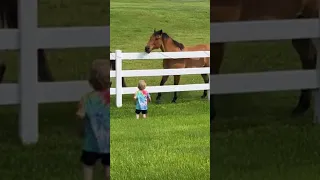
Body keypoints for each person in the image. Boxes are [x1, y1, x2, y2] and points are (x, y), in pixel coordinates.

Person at [76, 59, 110, 180]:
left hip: (91, 143)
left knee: (88, 166)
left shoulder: (86, 99)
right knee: (108, 168)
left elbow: (80, 115)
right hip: (108, 142)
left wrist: (80, 130)